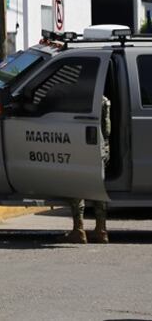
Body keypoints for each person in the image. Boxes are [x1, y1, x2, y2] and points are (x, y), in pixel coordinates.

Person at [66, 95, 111, 244]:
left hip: (81, 146)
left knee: (77, 188)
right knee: (98, 188)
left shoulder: (76, 99)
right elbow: (107, 128)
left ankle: (78, 230)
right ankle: (101, 230)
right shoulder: (104, 100)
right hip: (99, 147)